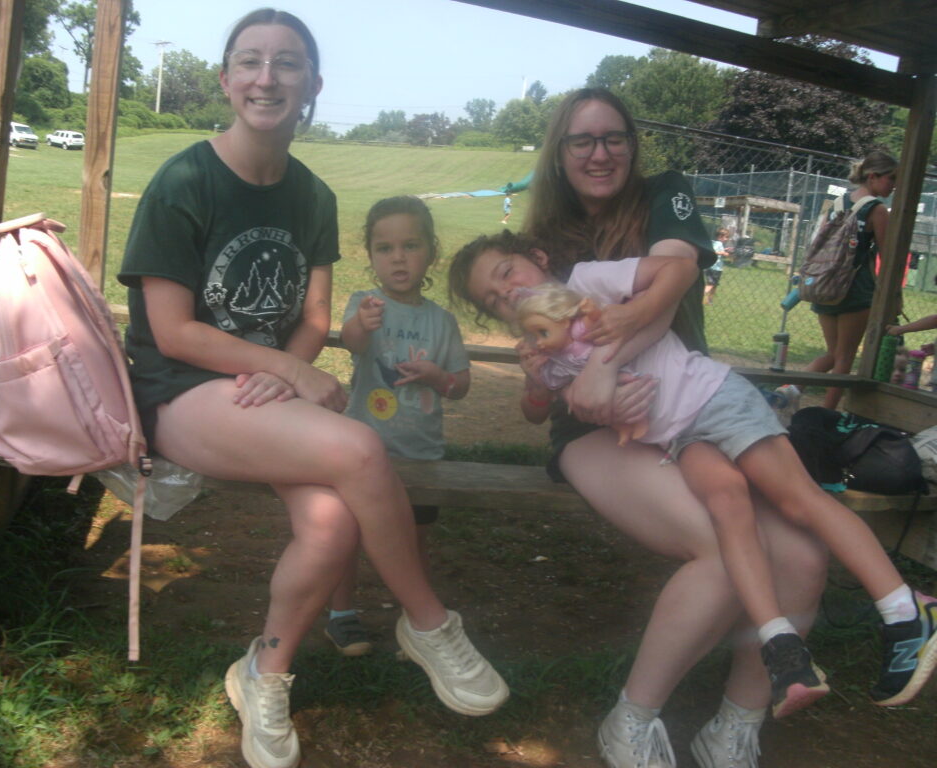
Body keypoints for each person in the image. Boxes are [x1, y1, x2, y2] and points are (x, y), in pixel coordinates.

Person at [117, 10, 507, 768]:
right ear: (226, 80)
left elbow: (315, 317)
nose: (267, 78)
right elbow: (172, 331)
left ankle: (262, 673)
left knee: (331, 525)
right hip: (182, 392)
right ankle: (429, 623)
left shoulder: (314, 198)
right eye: (250, 61)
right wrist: (289, 372)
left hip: (266, 399)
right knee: (360, 450)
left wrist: (284, 368)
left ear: (313, 85)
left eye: (287, 63)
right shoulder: (184, 181)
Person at [450, 87, 833, 768]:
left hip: (687, 407)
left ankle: (736, 724)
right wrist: (588, 392)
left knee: (802, 556)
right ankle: (632, 717)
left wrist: (606, 362)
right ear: (559, 153)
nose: (599, 153)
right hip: (598, 433)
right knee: (722, 545)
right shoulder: (543, 246)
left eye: (613, 137)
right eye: (581, 141)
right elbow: (548, 385)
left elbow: (674, 277)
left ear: (632, 142)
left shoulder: (664, 194)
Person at [500, 247, 937, 720]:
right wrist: (538, 374)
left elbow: (673, 269)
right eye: (492, 298)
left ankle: (907, 611)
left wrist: (628, 314)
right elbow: (560, 400)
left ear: (539, 261)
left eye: (504, 274)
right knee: (727, 508)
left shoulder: (590, 291)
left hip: (714, 400)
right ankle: (781, 644)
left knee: (797, 500)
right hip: (680, 437)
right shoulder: (555, 353)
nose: (505, 293)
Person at [325, 195, 470, 656]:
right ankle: (341, 615)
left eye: (411, 245)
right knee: (348, 534)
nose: (398, 258)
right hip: (365, 452)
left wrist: (438, 377)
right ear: (370, 255)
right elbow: (351, 343)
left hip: (421, 453)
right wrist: (362, 325)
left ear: (431, 251)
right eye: (385, 248)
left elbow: (461, 385)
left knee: (413, 541)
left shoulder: (442, 321)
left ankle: (416, 622)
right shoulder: (364, 305)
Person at [803, 151, 898, 410]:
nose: (894, 186)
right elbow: (888, 257)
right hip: (855, 290)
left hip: (825, 285)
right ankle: (827, 414)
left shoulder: (837, 202)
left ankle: (788, 389)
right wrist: (894, 296)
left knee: (833, 354)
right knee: (844, 358)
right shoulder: (877, 210)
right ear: (873, 176)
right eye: (891, 178)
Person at [703, 227, 728, 305]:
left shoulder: (714, 242)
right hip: (715, 268)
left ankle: (709, 300)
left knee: (714, 285)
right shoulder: (719, 243)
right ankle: (701, 295)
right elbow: (713, 251)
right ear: (720, 236)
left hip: (712, 267)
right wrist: (723, 253)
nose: (727, 239)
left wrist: (724, 250)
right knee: (711, 284)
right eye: (726, 237)